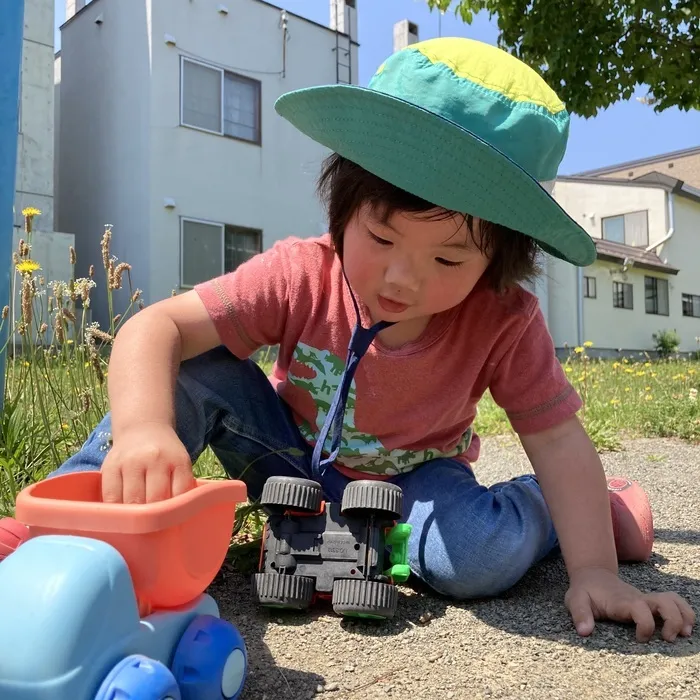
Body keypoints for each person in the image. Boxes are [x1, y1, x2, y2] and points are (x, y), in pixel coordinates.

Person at [0, 37, 694, 642]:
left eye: (448, 260)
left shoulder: (503, 318)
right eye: (381, 236)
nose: (401, 279)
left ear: (499, 265)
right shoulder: (301, 273)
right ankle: (60, 526)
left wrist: (597, 570)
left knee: (476, 561)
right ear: (342, 208)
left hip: (416, 484)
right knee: (195, 365)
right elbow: (155, 327)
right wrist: (144, 431)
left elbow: (558, 439)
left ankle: (575, 513)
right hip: (289, 461)